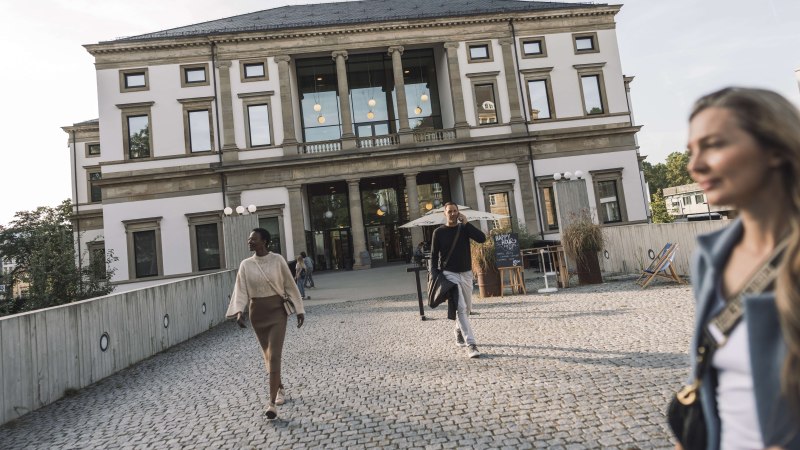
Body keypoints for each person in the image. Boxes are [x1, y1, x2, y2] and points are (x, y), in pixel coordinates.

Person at [681, 87, 800, 449]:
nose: (694, 165)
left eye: (714, 145)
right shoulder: (710, 256)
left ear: (775, 149)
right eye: (691, 151)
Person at [226, 228, 305, 421]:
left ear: (265, 241)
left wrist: (299, 309)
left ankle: (271, 404)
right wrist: (238, 311)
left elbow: (289, 285)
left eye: (254, 239)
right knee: (268, 355)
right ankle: (280, 388)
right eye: (249, 239)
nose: (250, 242)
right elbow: (241, 289)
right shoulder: (246, 264)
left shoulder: (277, 260)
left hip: (277, 312)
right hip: (257, 314)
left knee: (275, 354)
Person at [430, 202, 486, 358]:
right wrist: (434, 274)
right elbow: (434, 255)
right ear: (444, 213)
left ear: (458, 212)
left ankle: (457, 329)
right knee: (460, 307)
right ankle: (471, 345)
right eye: (450, 211)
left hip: (467, 273)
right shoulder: (438, 232)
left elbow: (482, 239)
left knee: (467, 308)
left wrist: (467, 223)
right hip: (450, 274)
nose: (453, 214)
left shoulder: (464, 229)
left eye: (455, 211)